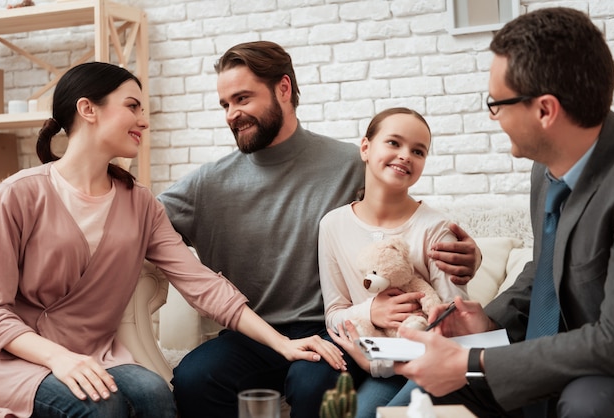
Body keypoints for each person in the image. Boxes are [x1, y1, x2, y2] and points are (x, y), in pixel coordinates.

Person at [0, 61, 346, 418]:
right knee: (103, 407)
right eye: (132, 106)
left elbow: (201, 283)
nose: (144, 120)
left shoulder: (139, 204)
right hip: (17, 357)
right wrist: (58, 358)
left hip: (95, 356)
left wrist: (281, 343)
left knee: (155, 394)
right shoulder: (19, 194)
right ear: (88, 110)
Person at [159, 40, 482, 418]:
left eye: (242, 99)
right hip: (253, 334)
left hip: (334, 329)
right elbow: (138, 223)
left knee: (313, 383)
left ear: (283, 88)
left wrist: (470, 254)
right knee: (195, 377)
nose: (232, 114)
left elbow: (405, 222)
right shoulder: (206, 185)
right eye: (225, 104)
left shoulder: (351, 162)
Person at [393, 7, 614, 418]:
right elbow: (546, 269)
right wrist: (488, 323)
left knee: (588, 403)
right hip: (550, 354)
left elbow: (613, 341)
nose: (493, 117)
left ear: (545, 111)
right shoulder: (546, 166)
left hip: (603, 369)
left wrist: (471, 363)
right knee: (418, 398)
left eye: (496, 104)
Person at [320, 107, 469, 417]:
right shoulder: (332, 226)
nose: (405, 156)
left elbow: (455, 323)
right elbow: (334, 313)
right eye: (394, 143)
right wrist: (370, 312)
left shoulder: (436, 228)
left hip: (426, 363)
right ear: (365, 148)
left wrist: (377, 362)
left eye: (418, 151)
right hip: (375, 360)